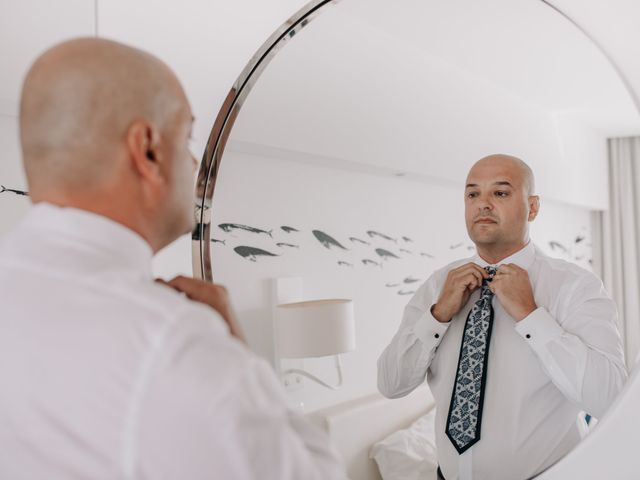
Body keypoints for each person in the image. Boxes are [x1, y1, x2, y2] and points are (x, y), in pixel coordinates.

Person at [0, 37, 345, 479]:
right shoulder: (171, 342)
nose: (194, 162)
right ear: (148, 149)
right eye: (187, 137)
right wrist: (238, 354)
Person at [377, 154, 627, 480]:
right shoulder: (438, 286)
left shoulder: (574, 286)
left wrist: (531, 315)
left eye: (501, 193)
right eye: (472, 194)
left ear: (532, 207)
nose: (483, 204)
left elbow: (611, 400)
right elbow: (391, 384)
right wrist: (437, 316)